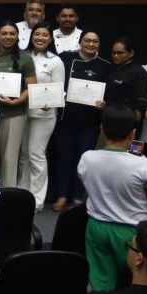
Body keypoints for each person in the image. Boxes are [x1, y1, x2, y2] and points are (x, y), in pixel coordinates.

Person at [79, 104, 147, 290]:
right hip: (131, 232)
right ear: (133, 133)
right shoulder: (143, 164)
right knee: (131, 282)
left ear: (102, 129)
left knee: (101, 279)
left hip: (96, 226)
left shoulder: (87, 158)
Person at [52, 31, 111, 212]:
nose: (91, 44)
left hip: (89, 122)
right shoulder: (65, 58)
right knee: (63, 158)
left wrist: (105, 103)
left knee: (83, 159)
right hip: (65, 119)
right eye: (87, 40)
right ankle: (62, 195)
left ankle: (77, 196)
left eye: (95, 41)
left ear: (99, 45)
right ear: (80, 42)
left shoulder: (105, 66)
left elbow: (109, 92)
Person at [0, 21, 37, 188]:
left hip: (14, 113)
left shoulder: (25, 58)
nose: (8, 37)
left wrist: (16, 101)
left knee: (9, 158)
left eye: (12, 34)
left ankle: (8, 195)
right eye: (4, 33)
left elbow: (32, 87)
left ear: (18, 36)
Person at [19, 21, 65, 211]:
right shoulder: (22, 56)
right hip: (21, 111)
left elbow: (59, 90)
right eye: (37, 34)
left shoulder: (55, 61)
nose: (40, 38)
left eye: (44, 35)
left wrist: (51, 101)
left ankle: (36, 201)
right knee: (23, 155)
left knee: (36, 154)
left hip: (43, 114)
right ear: (31, 36)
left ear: (50, 39)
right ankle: (22, 194)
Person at [105, 37, 147, 119]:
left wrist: (134, 126)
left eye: (120, 53)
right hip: (108, 116)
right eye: (113, 52)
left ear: (131, 53)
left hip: (126, 120)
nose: (115, 55)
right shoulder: (110, 68)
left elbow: (141, 103)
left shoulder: (139, 72)